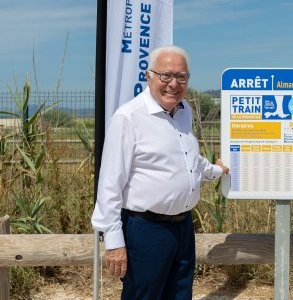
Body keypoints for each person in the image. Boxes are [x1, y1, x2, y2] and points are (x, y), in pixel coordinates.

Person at [91, 45, 229, 299]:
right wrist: (114, 242)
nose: (173, 84)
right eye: (166, 76)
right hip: (145, 231)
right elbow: (110, 184)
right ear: (149, 76)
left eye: (181, 77)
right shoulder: (128, 118)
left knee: (180, 295)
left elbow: (188, 160)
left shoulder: (183, 111)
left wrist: (216, 171)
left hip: (183, 228)